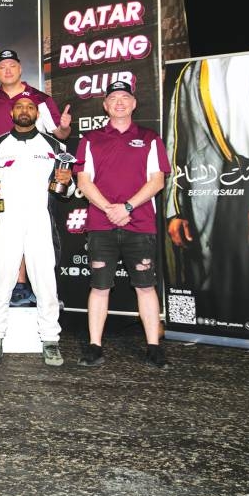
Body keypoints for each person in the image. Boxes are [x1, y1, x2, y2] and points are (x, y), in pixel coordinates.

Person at [164, 53, 249, 327]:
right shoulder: (191, 72)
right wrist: (176, 209)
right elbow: (177, 146)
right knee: (220, 278)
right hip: (221, 194)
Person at [75, 80, 171, 369]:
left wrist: (127, 207)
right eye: (113, 97)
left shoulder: (150, 137)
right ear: (105, 105)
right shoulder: (90, 139)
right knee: (99, 287)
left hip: (139, 223)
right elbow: (83, 181)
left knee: (145, 286)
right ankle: (94, 347)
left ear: (134, 104)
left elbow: (158, 180)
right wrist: (109, 209)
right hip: (101, 224)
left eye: (125, 97)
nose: (119, 102)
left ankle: (153, 348)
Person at [0, 96, 73, 366]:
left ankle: (51, 339)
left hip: (40, 220)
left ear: (36, 113)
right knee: (0, 279)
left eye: (30, 107)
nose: (25, 111)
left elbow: (68, 190)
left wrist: (68, 181)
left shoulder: (55, 145)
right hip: (7, 220)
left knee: (45, 282)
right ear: (11, 112)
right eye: (19, 106)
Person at [0, 49, 72, 307]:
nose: (7, 70)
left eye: (12, 66)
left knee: (38, 238)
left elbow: (59, 135)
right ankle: (15, 288)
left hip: (35, 175)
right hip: (0, 174)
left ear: (20, 69)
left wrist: (64, 126)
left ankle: (38, 292)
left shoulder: (40, 99)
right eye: (2, 67)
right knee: (4, 238)